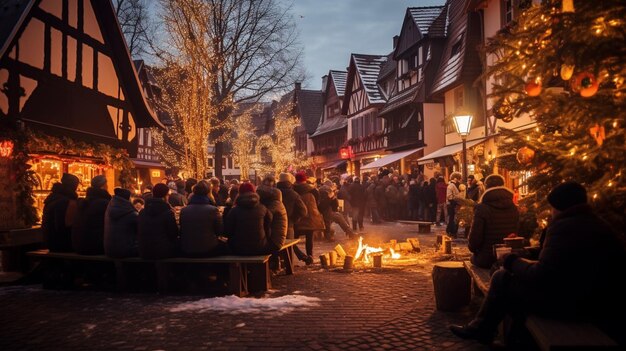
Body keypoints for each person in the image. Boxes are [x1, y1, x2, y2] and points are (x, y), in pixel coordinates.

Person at [449, 182, 626, 345]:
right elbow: (561, 258)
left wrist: (512, 261)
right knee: (508, 283)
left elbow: (542, 274)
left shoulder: (564, 227)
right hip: (591, 298)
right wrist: (529, 253)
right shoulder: (594, 223)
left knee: (502, 279)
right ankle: (490, 330)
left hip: (574, 304)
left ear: (558, 206)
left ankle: (485, 329)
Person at [467, 174, 519, 269]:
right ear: (503, 185)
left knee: (472, 260)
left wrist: (474, 250)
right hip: (509, 258)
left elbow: (474, 241)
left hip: (487, 258)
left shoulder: (482, 208)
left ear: (486, 187)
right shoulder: (514, 208)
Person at [179, 180, 228, 257]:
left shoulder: (184, 210)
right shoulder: (212, 210)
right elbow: (219, 231)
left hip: (188, 248)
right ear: (208, 192)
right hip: (208, 249)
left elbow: (181, 230)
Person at [224, 182, 273, 255]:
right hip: (260, 248)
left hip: (238, 249)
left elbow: (228, 232)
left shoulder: (234, 211)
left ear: (239, 193)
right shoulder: (263, 208)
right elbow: (268, 228)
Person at [71, 175, 111, 255]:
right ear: (103, 186)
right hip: (95, 246)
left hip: (79, 245)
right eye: (106, 185)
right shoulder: (104, 203)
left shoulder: (84, 202)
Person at [138, 183, 179, 259]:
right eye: (167, 195)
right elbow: (174, 233)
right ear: (165, 196)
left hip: (144, 251)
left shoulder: (142, 212)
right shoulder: (167, 213)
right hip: (163, 252)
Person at [42, 173, 80, 252]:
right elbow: (65, 225)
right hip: (61, 243)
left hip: (50, 240)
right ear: (73, 186)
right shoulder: (66, 201)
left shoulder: (53, 197)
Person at [293, 172, 325, 264]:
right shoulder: (313, 190)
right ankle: (309, 257)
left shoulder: (293, 190)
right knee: (309, 239)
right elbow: (318, 204)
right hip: (311, 218)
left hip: (298, 219)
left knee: (291, 241)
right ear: (305, 179)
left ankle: (302, 256)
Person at [276, 173, 309, 262]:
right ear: (289, 182)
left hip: (275, 224)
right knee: (289, 246)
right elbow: (303, 211)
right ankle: (290, 268)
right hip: (288, 224)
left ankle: (278, 264)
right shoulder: (293, 194)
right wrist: (294, 219)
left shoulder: (274, 192)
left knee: (278, 245)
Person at [104, 188, 139, 258]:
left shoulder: (109, 208)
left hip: (109, 249)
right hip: (125, 250)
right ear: (128, 199)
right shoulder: (130, 212)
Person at [257, 175, 288, 251]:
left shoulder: (274, 203)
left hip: (274, 240)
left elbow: (266, 219)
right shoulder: (273, 200)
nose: (267, 189)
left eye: (270, 186)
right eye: (266, 186)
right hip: (274, 238)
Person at [446, 172, 463, 237]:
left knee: (454, 218)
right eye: (459, 178)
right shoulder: (451, 185)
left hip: (454, 204)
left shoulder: (455, 185)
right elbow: (449, 197)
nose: (460, 180)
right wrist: (455, 202)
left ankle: (452, 231)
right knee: (452, 218)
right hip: (452, 204)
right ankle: (451, 231)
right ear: (456, 178)